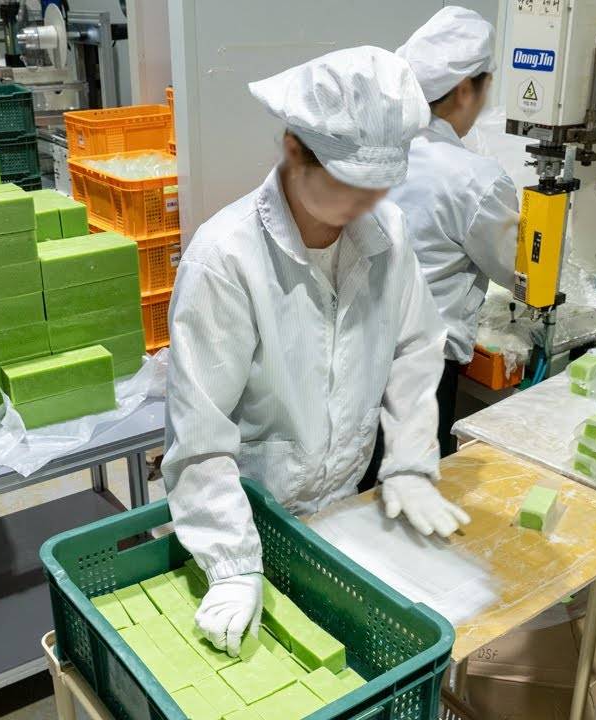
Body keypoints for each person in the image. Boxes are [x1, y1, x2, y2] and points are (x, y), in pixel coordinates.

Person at [163, 46, 471, 658]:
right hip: (245, 521)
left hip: (343, 516)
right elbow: (199, 436)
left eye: (379, 185)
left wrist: (409, 460)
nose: (365, 204)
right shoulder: (226, 259)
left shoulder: (387, 235)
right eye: (349, 183)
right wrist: (232, 566)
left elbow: (415, 346)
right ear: (294, 150)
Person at [390, 7, 520, 457]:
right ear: (465, 90)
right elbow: (521, 272)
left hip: (359, 353)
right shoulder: (476, 179)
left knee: (366, 482)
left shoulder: (381, 147)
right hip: (421, 370)